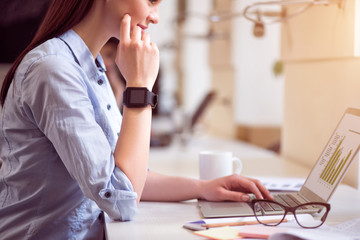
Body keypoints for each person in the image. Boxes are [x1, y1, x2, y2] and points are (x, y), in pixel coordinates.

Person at [0, 0, 273, 239]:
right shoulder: (54, 70)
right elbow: (122, 200)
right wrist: (139, 87)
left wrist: (202, 188)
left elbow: (122, 178)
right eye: (152, 1)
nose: (155, 17)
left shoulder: (90, 66)